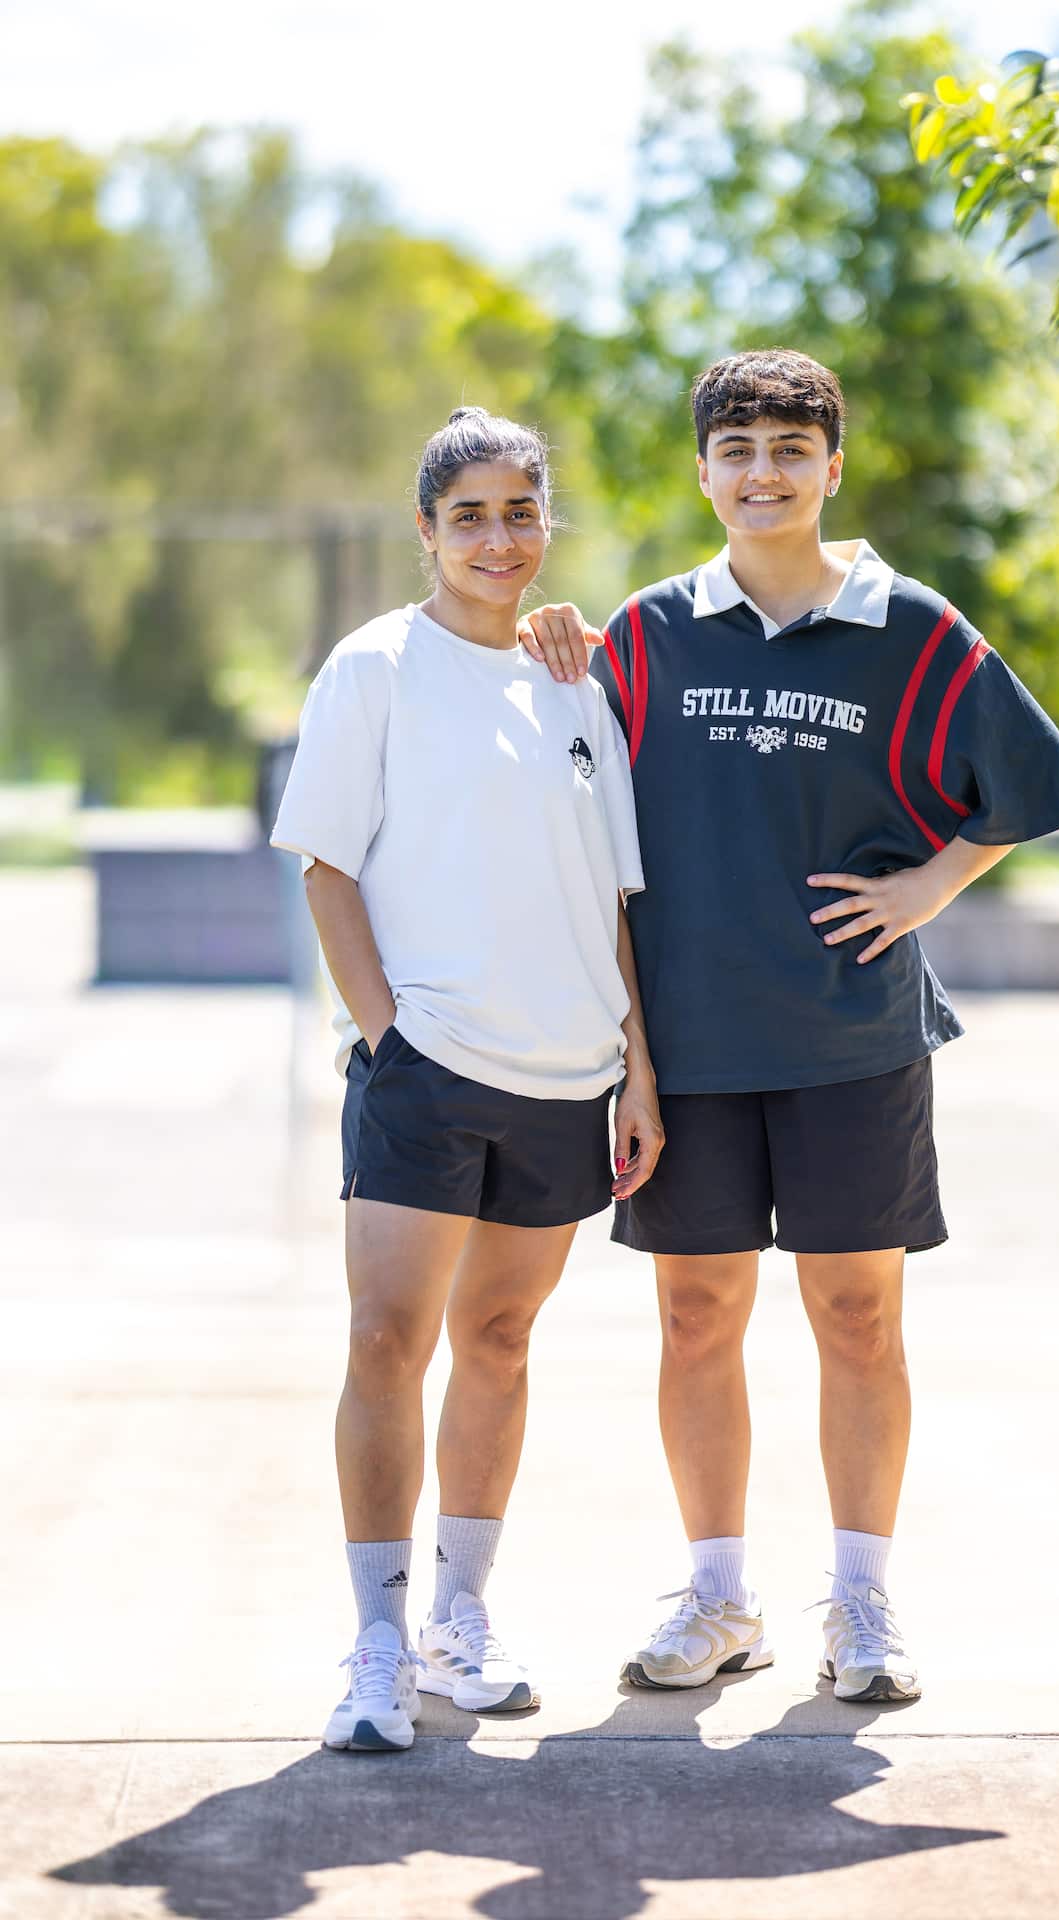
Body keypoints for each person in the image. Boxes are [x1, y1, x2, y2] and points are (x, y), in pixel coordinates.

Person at [521, 348, 1059, 1704]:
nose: (763, 470)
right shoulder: (649, 634)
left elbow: (1020, 784)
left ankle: (865, 1604)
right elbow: (567, 793)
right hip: (695, 1046)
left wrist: (929, 885)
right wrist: (547, 637)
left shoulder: (913, 627)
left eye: (791, 447)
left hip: (854, 1039)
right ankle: (721, 1597)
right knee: (695, 1316)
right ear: (705, 470)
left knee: (856, 1315)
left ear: (833, 465)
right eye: (737, 448)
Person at [270, 406, 663, 1751]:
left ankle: (459, 1619)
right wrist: (389, 1034)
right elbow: (325, 864)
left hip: (569, 1075)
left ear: (544, 527)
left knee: (501, 1342)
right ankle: (376, 1641)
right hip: (425, 1070)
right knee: (388, 1339)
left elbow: (617, 898)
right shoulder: (373, 669)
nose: (498, 537)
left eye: (519, 512)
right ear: (427, 530)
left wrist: (639, 1073)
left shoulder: (583, 682)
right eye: (471, 514)